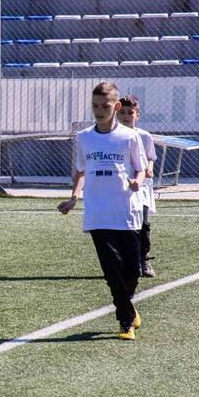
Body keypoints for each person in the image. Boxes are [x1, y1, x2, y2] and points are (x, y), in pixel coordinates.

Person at [58, 82, 145, 341]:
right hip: (98, 212)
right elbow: (81, 170)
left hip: (127, 211)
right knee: (111, 269)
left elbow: (140, 167)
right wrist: (74, 197)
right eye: (95, 106)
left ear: (116, 107)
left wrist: (138, 181)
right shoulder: (84, 137)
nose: (99, 111)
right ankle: (126, 321)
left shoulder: (130, 137)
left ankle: (128, 308)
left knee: (132, 271)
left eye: (105, 106)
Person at [116, 95, 157, 278]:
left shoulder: (144, 136)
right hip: (121, 189)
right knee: (122, 225)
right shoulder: (113, 136)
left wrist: (149, 168)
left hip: (142, 188)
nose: (126, 116)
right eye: (122, 113)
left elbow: (150, 157)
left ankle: (144, 259)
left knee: (143, 224)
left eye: (130, 113)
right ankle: (125, 261)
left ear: (137, 115)